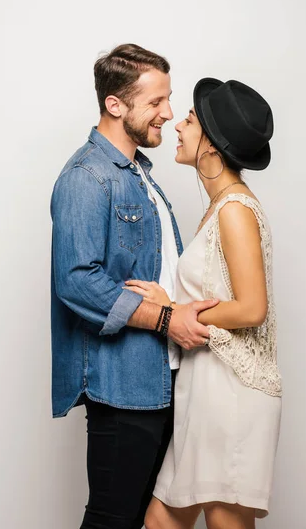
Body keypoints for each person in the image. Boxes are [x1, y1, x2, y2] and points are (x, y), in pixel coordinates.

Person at [50, 44, 217, 529]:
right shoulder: (87, 176)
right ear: (114, 105)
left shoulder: (139, 176)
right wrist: (167, 319)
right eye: (156, 102)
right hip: (122, 387)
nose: (168, 112)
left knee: (142, 519)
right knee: (112, 519)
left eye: (168, 99)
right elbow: (76, 281)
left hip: (159, 381)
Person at [124, 78, 282, 529]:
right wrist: (172, 307)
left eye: (190, 119)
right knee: (160, 521)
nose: (177, 124)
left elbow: (253, 309)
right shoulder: (219, 208)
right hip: (205, 390)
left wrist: (171, 311)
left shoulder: (234, 208)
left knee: (223, 521)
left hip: (231, 394)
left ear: (211, 143)